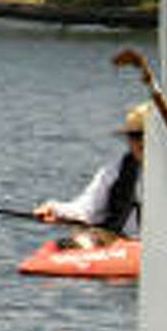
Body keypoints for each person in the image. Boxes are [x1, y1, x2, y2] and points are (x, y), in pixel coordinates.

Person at [34, 103, 146, 248]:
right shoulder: (114, 171)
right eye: (135, 136)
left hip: (166, 246)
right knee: (80, 238)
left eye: (145, 135)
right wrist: (54, 209)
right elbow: (85, 209)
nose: (140, 142)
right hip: (121, 246)